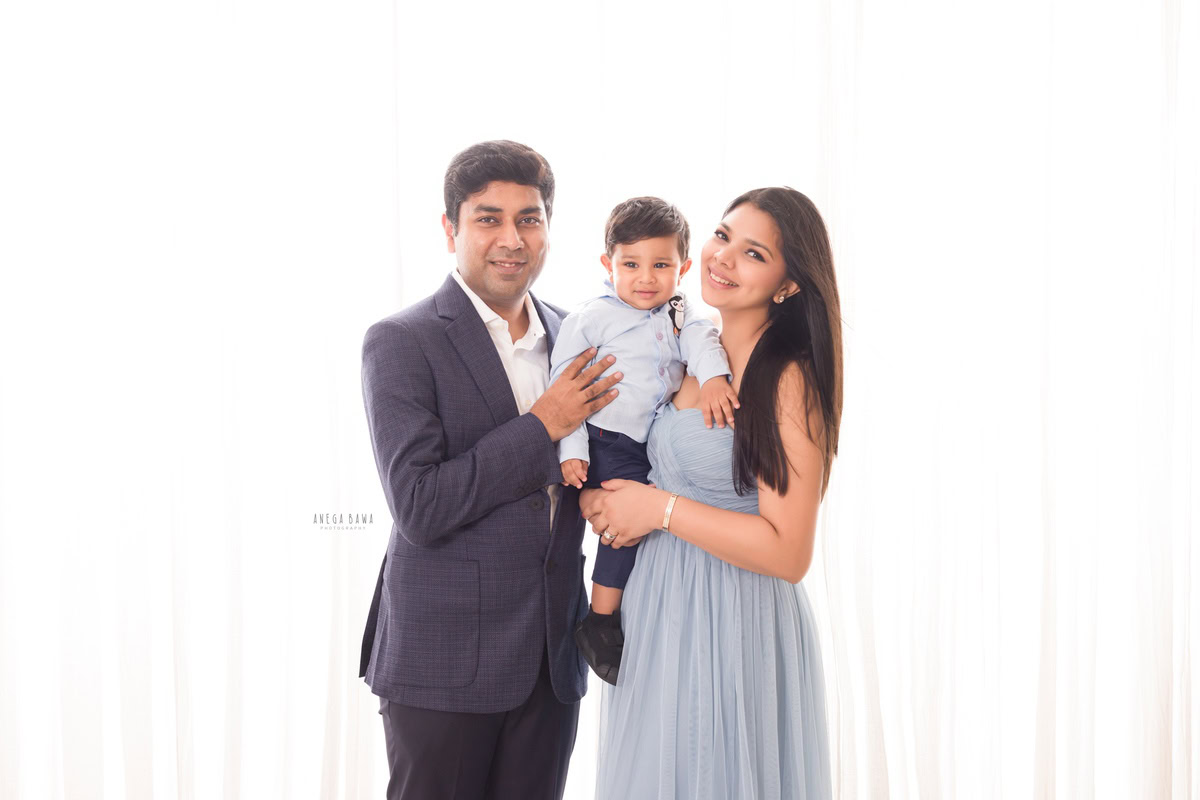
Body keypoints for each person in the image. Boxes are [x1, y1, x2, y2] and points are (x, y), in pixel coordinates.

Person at [357, 140, 623, 800]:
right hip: (442, 661)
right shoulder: (402, 340)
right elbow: (419, 505)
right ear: (450, 229)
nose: (512, 238)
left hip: (550, 664)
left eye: (529, 219)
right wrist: (542, 426)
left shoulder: (578, 337)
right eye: (488, 218)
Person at [581, 187, 842, 799]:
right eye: (723, 236)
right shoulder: (690, 349)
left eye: (753, 253)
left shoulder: (788, 380)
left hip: (733, 622)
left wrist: (660, 510)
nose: (723, 258)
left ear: (787, 285)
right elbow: (640, 455)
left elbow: (789, 553)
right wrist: (604, 499)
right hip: (657, 614)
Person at [549, 196, 738, 685]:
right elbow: (562, 388)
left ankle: (622, 611)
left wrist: (715, 377)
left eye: (661, 265)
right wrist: (572, 452)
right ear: (607, 265)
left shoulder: (680, 312)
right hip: (605, 437)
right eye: (630, 264)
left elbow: (700, 339)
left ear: (684, 267)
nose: (646, 277)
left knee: (649, 516)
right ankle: (601, 619)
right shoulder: (592, 318)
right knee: (626, 526)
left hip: (650, 439)